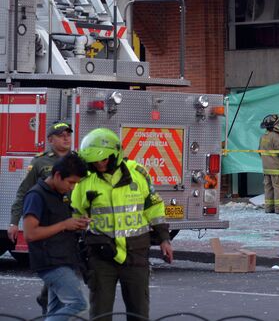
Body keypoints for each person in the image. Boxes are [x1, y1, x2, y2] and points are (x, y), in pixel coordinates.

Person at [71, 128, 174, 321]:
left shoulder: (138, 174)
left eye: (104, 159)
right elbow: (75, 213)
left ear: (116, 154)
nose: (99, 164)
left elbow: (154, 208)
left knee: (139, 313)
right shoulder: (85, 181)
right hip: (101, 255)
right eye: (95, 161)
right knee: (100, 314)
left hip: (135, 254)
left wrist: (164, 239)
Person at [8, 120, 74, 314]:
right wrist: (14, 222)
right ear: (50, 140)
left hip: (71, 220)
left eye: (68, 134)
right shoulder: (40, 162)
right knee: (57, 263)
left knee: (65, 263)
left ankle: (48, 298)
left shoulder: (78, 160)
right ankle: (49, 302)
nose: (66, 138)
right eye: (61, 135)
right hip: (48, 223)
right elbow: (23, 192)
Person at [23, 153, 90, 320]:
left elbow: (61, 224)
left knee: (55, 310)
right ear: (58, 175)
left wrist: (76, 224)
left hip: (64, 259)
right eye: (71, 182)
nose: (73, 187)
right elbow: (30, 233)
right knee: (79, 304)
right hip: (51, 263)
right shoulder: (36, 196)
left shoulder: (60, 195)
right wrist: (64, 225)